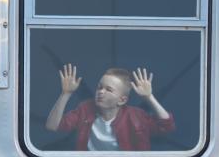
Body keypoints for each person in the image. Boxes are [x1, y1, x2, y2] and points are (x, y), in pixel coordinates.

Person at [45, 64, 174, 151]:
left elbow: (167, 126)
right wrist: (65, 94)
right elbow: (52, 126)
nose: (101, 92)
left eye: (109, 90)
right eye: (99, 87)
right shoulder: (85, 109)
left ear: (122, 100)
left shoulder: (136, 116)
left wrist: (149, 97)